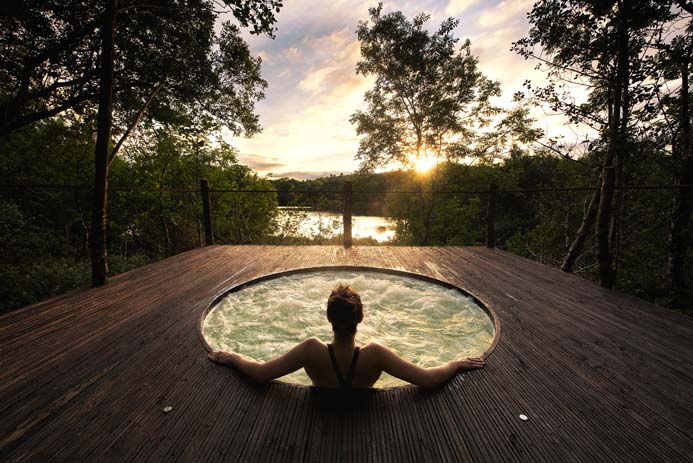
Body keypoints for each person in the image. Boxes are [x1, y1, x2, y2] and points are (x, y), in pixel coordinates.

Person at [208, 284, 485, 389]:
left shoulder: (311, 350)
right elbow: (428, 379)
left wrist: (233, 356)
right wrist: (456, 363)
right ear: (361, 318)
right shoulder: (375, 354)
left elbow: (260, 373)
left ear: (328, 319)